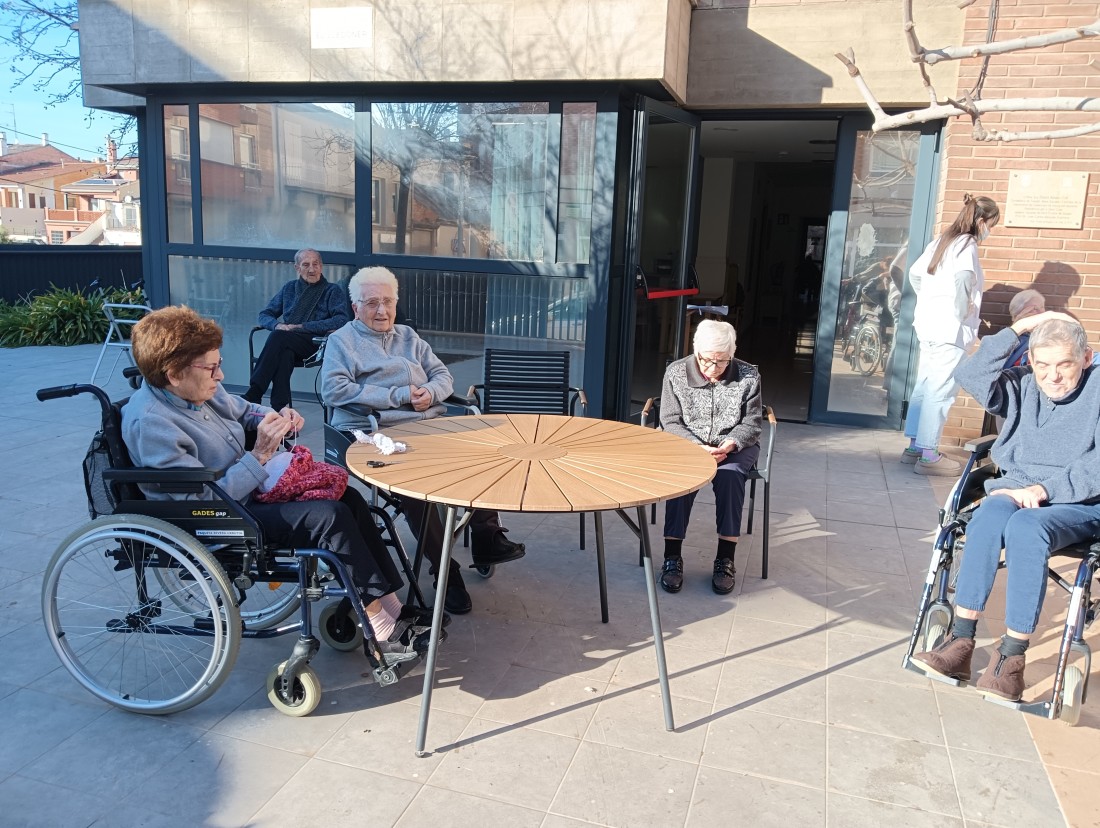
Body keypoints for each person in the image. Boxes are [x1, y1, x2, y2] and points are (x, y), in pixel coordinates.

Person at [122, 305, 441, 666]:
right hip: (216, 516)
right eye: (211, 368)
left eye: (218, 363)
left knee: (348, 497)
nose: (220, 374)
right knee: (328, 517)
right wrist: (258, 455)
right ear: (174, 374)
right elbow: (201, 501)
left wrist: (277, 417)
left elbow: (244, 410)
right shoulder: (152, 424)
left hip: (246, 492)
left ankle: (391, 608)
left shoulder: (197, 388)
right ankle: (380, 630)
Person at [910, 312, 1100, 702]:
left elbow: (1095, 468)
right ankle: (960, 642)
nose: (1052, 376)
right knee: (986, 518)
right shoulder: (1022, 384)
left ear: (1086, 358)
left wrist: (1043, 489)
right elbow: (971, 375)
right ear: (1030, 360)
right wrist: (1021, 327)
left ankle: (1011, 660)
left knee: (1027, 528)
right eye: (1042, 364)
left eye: (1064, 364)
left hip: (1078, 501)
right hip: (1015, 492)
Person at [321, 266, 526, 615]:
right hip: (375, 433)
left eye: (388, 302)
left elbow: (442, 375)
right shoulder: (342, 341)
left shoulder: (408, 336)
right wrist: (398, 396)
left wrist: (430, 393)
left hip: (426, 425)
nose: (382, 311)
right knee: (418, 491)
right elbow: (334, 389)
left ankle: (486, 536)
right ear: (355, 307)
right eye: (372, 303)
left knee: (481, 456)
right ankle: (446, 571)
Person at [658, 319, 762, 595]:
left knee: (730, 477)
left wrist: (730, 444)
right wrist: (696, 446)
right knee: (684, 478)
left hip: (733, 446)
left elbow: (752, 422)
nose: (713, 368)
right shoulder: (676, 372)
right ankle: (672, 557)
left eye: (722, 361)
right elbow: (670, 420)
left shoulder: (749, 375)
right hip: (687, 444)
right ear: (696, 351)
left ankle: (725, 559)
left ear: (732, 354)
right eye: (706, 360)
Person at [900, 194, 1000, 476]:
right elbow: (964, 278)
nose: (989, 231)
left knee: (924, 386)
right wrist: (961, 311)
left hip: (929, 325)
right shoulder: (967, 243)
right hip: (950, 330)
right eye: (991, 225)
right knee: (940, 391)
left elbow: (915, 274)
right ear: (982, 221)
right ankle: (929, 456)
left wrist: (931, 299)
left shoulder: (941, 241)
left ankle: (914, 448)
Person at [243, 248, 350, 411]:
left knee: (279, 338)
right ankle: (280, 407)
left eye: (315, 264)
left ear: (321, 266)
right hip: (287, 342)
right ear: (297, 268)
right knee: (284, 352)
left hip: (316, 343)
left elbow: (340, 320)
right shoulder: (289, 288)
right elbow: (265, 314)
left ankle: (254, 393)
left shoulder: (332, 290)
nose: (312, 269)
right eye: (306, 265)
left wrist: (302, 326)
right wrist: (277, 325)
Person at [1003, 289, 1046, 368]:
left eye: (1042, 307)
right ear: (1017, 314)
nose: (1041, 313)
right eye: (1034, 309)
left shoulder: (1049, 336)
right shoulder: (1006, 341)